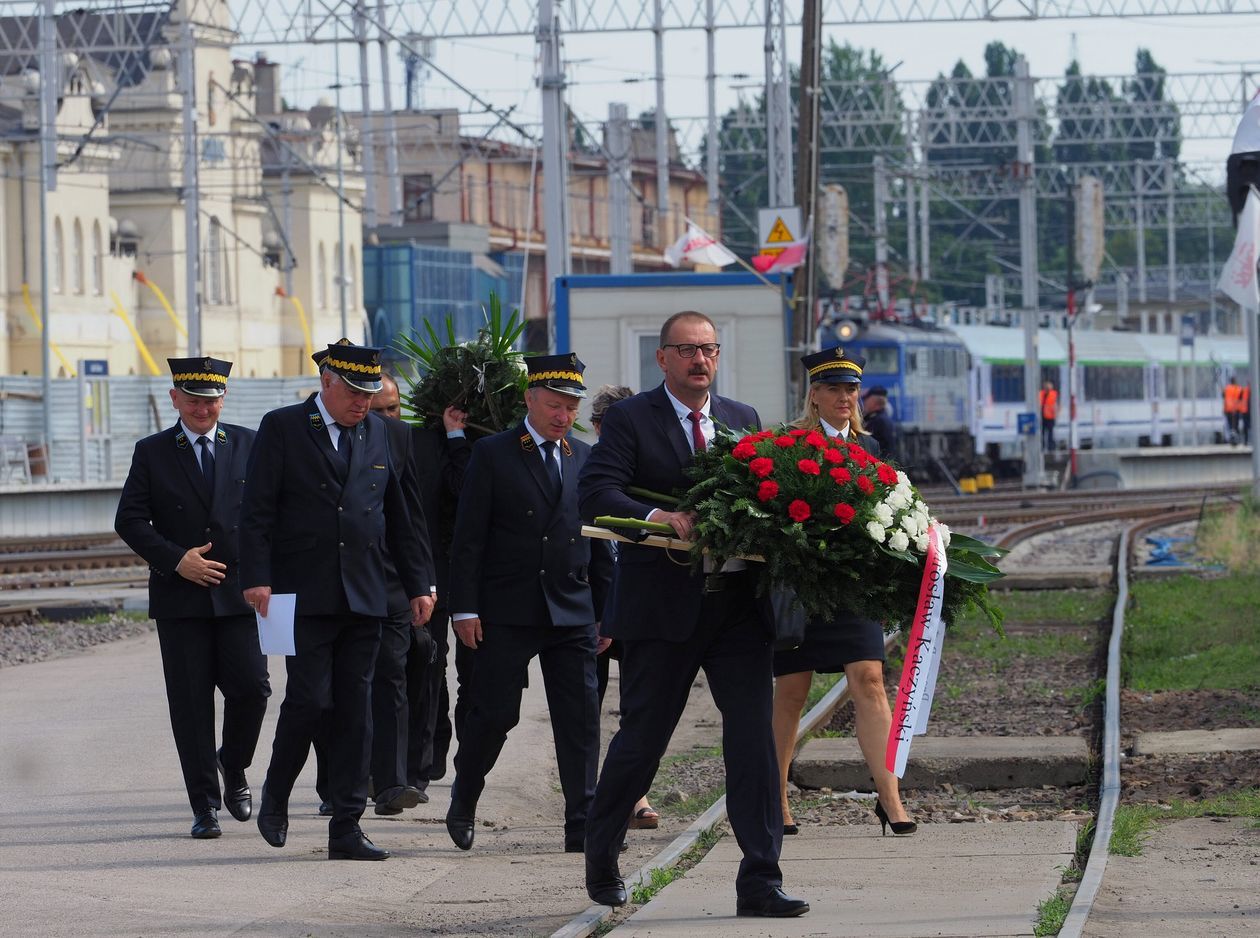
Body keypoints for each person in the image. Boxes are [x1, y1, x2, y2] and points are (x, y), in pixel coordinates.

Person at [578, 311, 809, 919]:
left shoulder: (742, 419)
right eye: (686, 350)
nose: (699, 360)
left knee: (754, 743)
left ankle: (761, 878)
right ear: (663, 359)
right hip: (663, 609)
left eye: (708, 349)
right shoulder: (631, 419)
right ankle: (601, 851)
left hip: (737, 609)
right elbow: (598, 491)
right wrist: (661, 519)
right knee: (644, 741)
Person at [241, 341, 435, 861]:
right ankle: (277, 793)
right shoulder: (282, 427)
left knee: (358, 710)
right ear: (327, 381)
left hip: (368, 593)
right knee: (310, 700)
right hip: (302, 591)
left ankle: (347, 827)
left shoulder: (387, 434)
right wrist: (256, 578)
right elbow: (256, 509)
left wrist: (420, 584)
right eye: (354, 391)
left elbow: (404, 516)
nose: (363, 402)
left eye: (371, 392)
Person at [444, 354, 613, 854]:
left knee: (580, 719)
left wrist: (607, 610)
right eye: (555, 405)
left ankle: (581, 823)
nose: (563, 415)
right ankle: (465, 793)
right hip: (507, 610)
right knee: (494, 714)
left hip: (572, 609)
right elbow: (468, 537)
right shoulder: (494, 453)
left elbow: (599, 541)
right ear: (530, 400)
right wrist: (464, 608)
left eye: (571, 406)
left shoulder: (582, 457)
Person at [114, 357, 271, 840]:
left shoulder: (249, 444)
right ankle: (204, 806)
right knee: (191, 706)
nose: (204, 408)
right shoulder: (153, 451)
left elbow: (270, 515)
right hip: (180, 599)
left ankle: (234, 763)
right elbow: (130, 521)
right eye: (194, 399)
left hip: (238, 594)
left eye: (212, 399)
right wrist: (175, 558)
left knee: (253, 690)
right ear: (175, 399)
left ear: (223, 399)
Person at [773, 349, 916, 842]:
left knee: (871, 680)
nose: (843, 397)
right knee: (791, 692)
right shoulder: (789, 445)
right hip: (804, 587)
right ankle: (778, 796)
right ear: (813, 394)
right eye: (832, 388)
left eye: (850, 389)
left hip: (853, 588)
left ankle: (890, 795)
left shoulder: (872, 448)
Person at [588, 384, 658, 832]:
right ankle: (590, 793)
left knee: (637, 706)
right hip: (592, 607)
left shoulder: (649, 472)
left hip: (636, 604)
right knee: (586, 705)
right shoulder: (589, 470)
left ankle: (634, 795)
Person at [861, 385, 898, 462]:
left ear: (873, 402)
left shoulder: (879, 421)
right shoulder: (879, 418)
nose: (864, 403)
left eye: (866, 400)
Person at [1038, 379, 1058, 453]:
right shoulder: (1041, 393)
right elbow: (1039, 403)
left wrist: (1056, 414)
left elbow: (1055, 405)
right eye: (1046, 384)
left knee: (1050, 434)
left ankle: (1051, 448)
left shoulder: (1053, 394)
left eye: (1049, 384)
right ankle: (1042, 447)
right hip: (1042, 417)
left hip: (1050, 417)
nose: (1047, 386)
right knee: (1042, 433)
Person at [1223, 374, 1243, 444]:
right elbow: (1241, 399)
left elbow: (1224, 397)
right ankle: (1236, 440)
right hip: (1236, 410)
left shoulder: (1227, 389)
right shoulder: (1239, 388)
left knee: (1230, 426)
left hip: (1228, 410)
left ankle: (1231, 439)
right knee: (1236, 426)